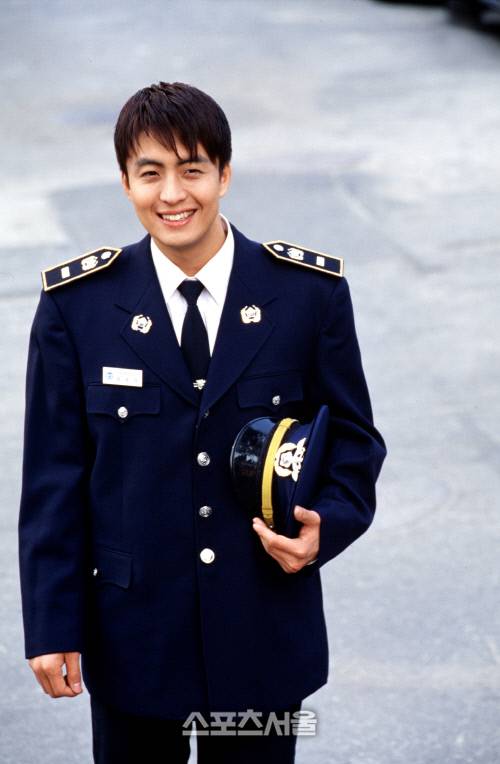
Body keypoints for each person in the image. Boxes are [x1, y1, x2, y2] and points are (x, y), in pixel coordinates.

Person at [18, 82, 386, 764]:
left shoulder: (307, 295)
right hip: (135, 640)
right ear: (124, 182)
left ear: (224, 174)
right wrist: (51, 624)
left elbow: (355, 442)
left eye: (192, 169)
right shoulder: (78, 307)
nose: (172, 194)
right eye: (150, 173)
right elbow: (53, 480)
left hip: (261, 633)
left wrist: (325, 528)